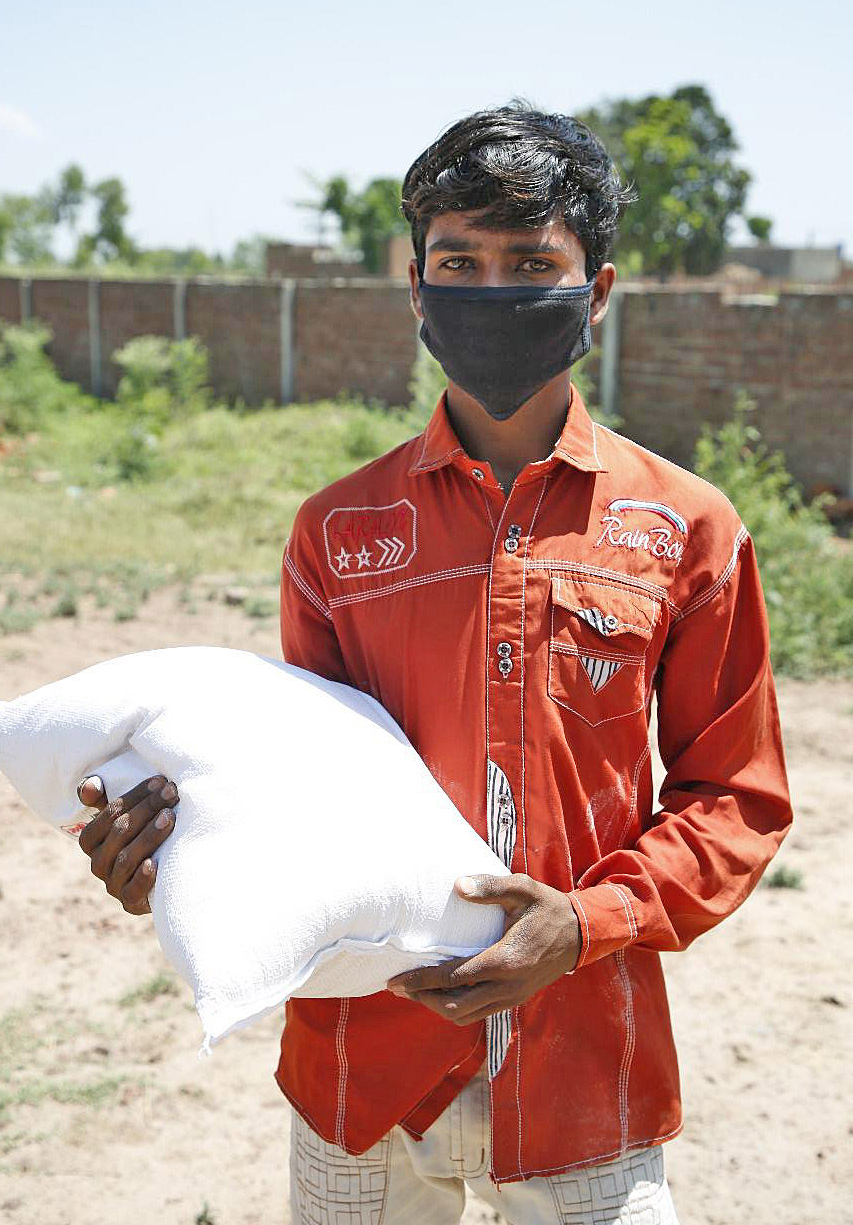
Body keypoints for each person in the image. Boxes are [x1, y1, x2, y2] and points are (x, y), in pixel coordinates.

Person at [77, 102, 792, 1224]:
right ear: (416, 288)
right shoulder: (338, 531)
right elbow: (292, 792)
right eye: (458, 262)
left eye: (531, 264)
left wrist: (586, 922)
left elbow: (736, 796)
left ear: (596, 291)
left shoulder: (686, 530)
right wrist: (169, 851)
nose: (491, 290)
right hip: (364, 1072)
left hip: (584, 1073)